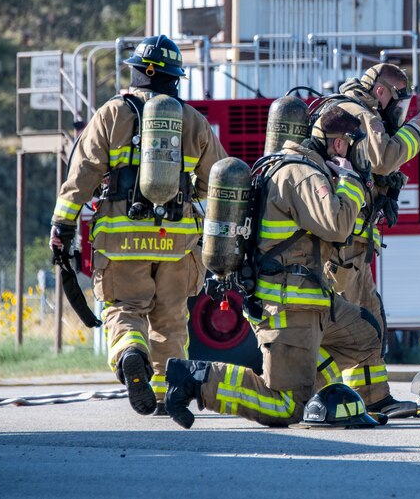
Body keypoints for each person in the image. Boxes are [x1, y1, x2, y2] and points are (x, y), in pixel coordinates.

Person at [164, 107, 392, 428]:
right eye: (357, 149)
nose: (360, 158)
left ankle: (321, 392)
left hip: (312, 299)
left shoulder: (298, 168)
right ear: (339, 145)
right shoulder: (303, 175)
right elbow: (337, 224)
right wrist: (352, 181)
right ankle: (197, 378)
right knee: (286, 408)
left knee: (365, 334)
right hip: (289, 305)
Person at [49, 34, 227, 416]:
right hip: (177, 243)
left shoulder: (111, 114)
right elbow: (218, 180)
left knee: (123, 309)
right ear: (174, 78)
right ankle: (164, 395)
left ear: (135, 73)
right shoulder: (194, 121)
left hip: (121, 238)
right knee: (170, 320)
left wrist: (61, 228)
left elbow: (80, 176)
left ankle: (131, 351)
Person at [311, 63, 420, 414]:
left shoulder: (347, 110)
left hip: (354, 244)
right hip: (343, 246)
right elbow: (383, 159)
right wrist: (414, 130)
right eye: (396, 102)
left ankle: (373, 396)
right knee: (346, 325)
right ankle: (302, 388)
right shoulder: (363, 113)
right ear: (381, 92)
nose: (397, 111)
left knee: (370, 319)